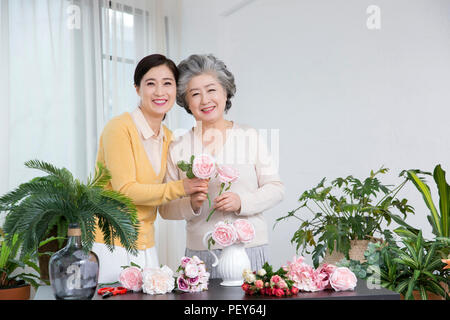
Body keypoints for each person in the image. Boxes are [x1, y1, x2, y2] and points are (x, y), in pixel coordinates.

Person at [159, 54, 284, 278]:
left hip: (249, 249)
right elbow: (165, 208)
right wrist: (192, 205)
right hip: (201, 255)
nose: (205, 100)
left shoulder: (249, 136)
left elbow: (276, 188)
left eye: (211, 90)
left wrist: (241, 202)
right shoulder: (177, 146)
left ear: (225, 92)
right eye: (195, 94)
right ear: (186, 102)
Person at [92, 54, 208, 284]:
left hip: (145, 242)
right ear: (137, 89)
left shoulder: (168, 138)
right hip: (108, 241)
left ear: (176, 89)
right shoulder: (119, 128)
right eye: (150, 83)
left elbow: (163, 200)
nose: (159, 92)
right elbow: (125, 190)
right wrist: (183, 186)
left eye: (167, 83)